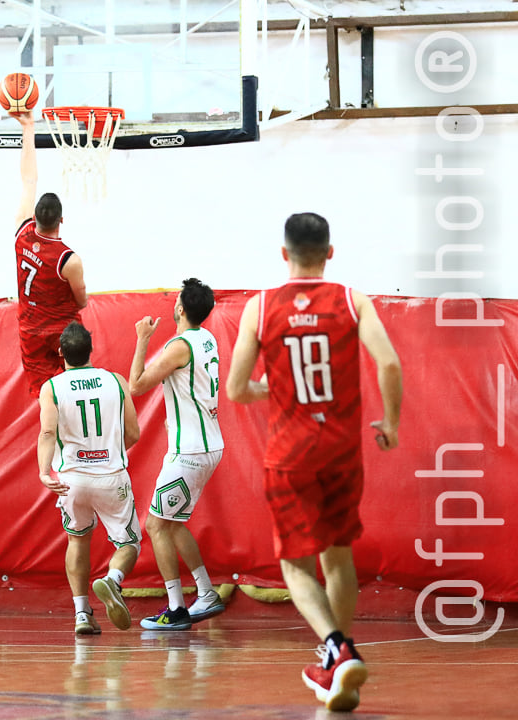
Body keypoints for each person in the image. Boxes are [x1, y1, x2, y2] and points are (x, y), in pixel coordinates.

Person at [226, 213, 402, 712]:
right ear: (330, 253)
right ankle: (333, 663)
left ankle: (335, 647)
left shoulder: (260, 308)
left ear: (285, 255)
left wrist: (271, 389)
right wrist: (391, 423)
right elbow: (388, 362)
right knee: (338, 556)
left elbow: (237, 388)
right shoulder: (353, 299)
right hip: (343, 451)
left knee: (294, 565)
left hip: (291, 454)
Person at [128, 278, 227, 631]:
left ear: (181, 308)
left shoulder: (179, 345)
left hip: (190, 451)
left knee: (155, 525)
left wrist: (142, 339)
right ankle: (206, 592)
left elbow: (136, 386)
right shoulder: (208, 339)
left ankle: (176, 608)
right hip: (209, 446)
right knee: (172, 523)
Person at [37, 321, 141, 635]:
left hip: (72, 481)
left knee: (77, 540)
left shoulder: (52, 387)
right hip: (111, 476)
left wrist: (44, 472)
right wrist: (106, 452)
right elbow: (133, 433)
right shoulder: (115, 381)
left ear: (60, 353)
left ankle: (82, 613)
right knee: (130, 543)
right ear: (91, 350)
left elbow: (46, 432)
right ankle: (113, 580)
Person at [12, 112, 88, 398]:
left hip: (30, 330)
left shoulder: (22, 231)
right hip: (63, 331)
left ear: (35, 217)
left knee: (48, 400)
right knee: (75, 391)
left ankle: (53, 438)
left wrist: (28, 128)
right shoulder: (68, 259)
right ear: (62, 220)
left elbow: (28, 179)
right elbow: (80, 301)